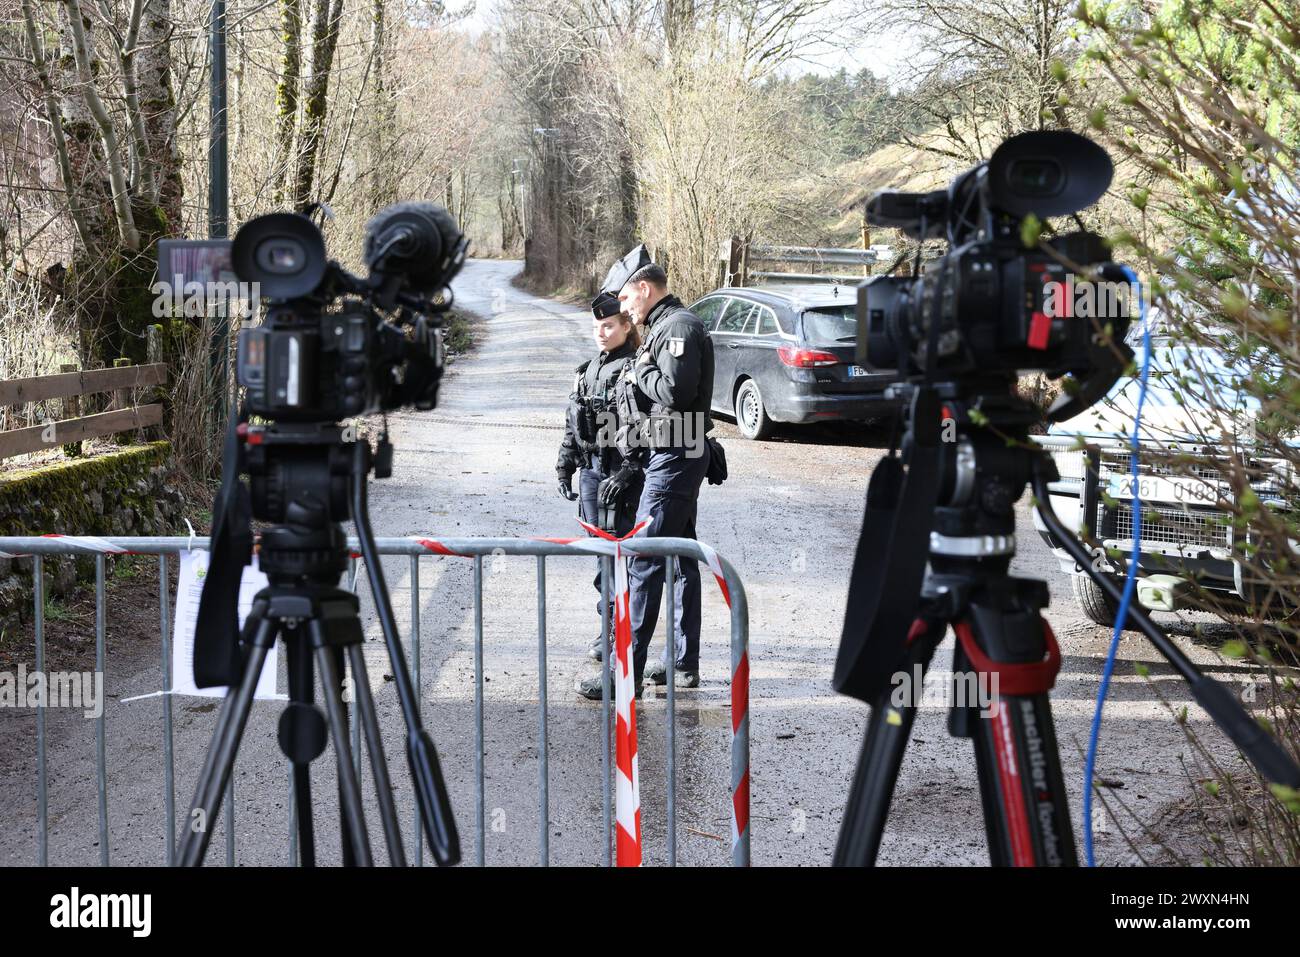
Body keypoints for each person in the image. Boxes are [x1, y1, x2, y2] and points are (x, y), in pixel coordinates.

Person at [588, 245, 714, 697]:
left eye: (624, 299)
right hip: (672, 451)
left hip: (676, 454)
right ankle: (680, 661)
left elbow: (676, 395)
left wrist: (640, 368)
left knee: (642, 557)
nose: (623, 307)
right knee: (680, 555)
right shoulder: (665, 327)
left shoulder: (677, 327)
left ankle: (626, 675)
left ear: (644, 289)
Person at [558, 292, 646, 697]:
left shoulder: (635, 369)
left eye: (608, 326)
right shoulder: (588, 369)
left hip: (620, 475)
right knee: (601, 560)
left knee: (622, 560)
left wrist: (631, 469)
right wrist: (565, 463)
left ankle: (624, 642)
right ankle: (606, 630)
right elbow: (572, 419)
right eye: (596, 327)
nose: (601, 333)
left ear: (626, 326)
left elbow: (648, 424)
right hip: (593, 472)